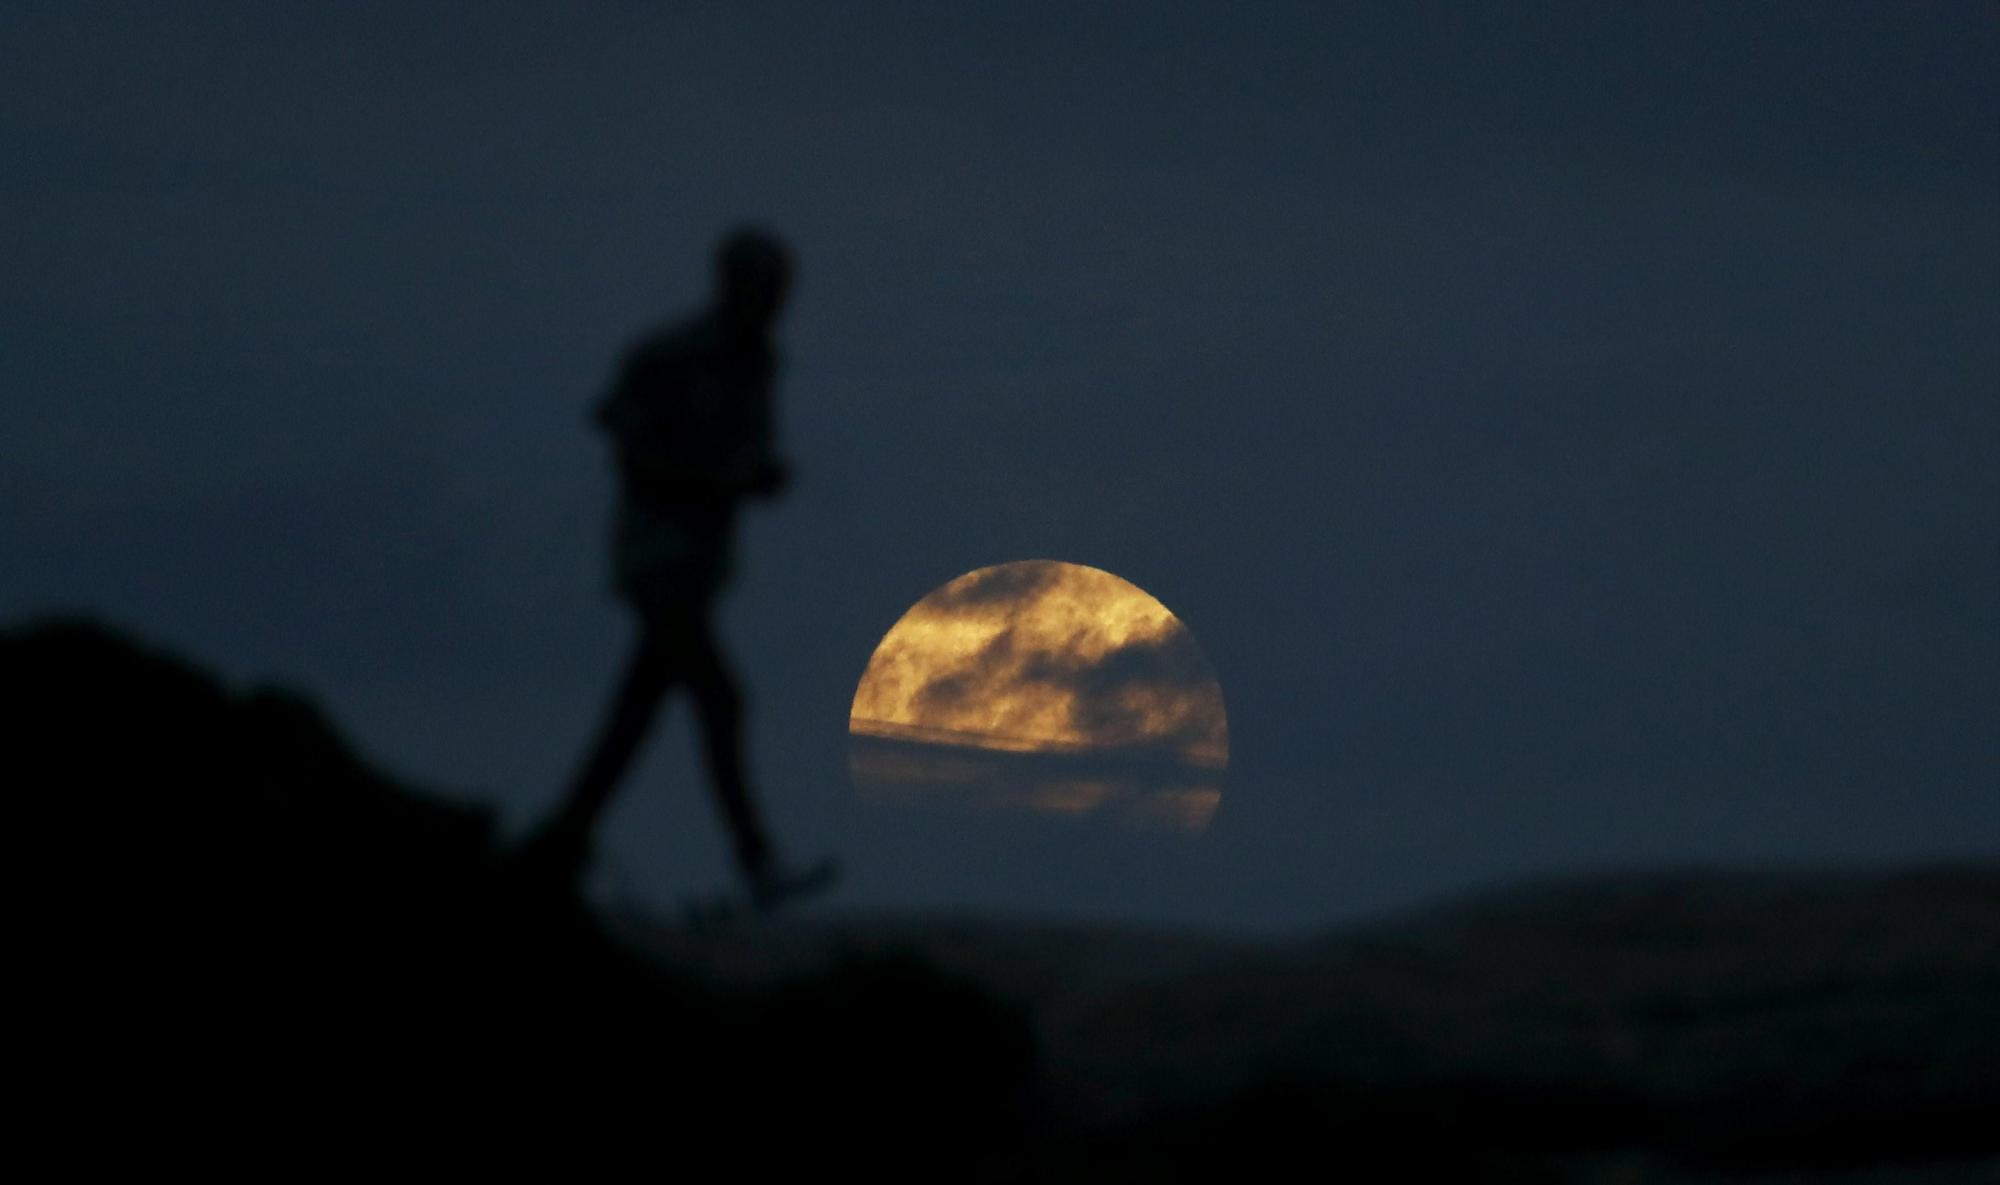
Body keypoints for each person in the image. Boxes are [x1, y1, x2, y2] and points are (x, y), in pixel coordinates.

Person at [516, 227, 827, 909]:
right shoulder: (669, 356)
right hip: (658, 561)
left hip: (701, 568)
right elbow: (632, 452)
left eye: (779, 291)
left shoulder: (759, 363)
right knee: (718, 700)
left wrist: (756, 478)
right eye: (761, 288)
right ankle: (756, 860)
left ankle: (558, 844)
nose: (773, 304)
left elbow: (748, 456)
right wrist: (719, 481)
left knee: (638, 714)